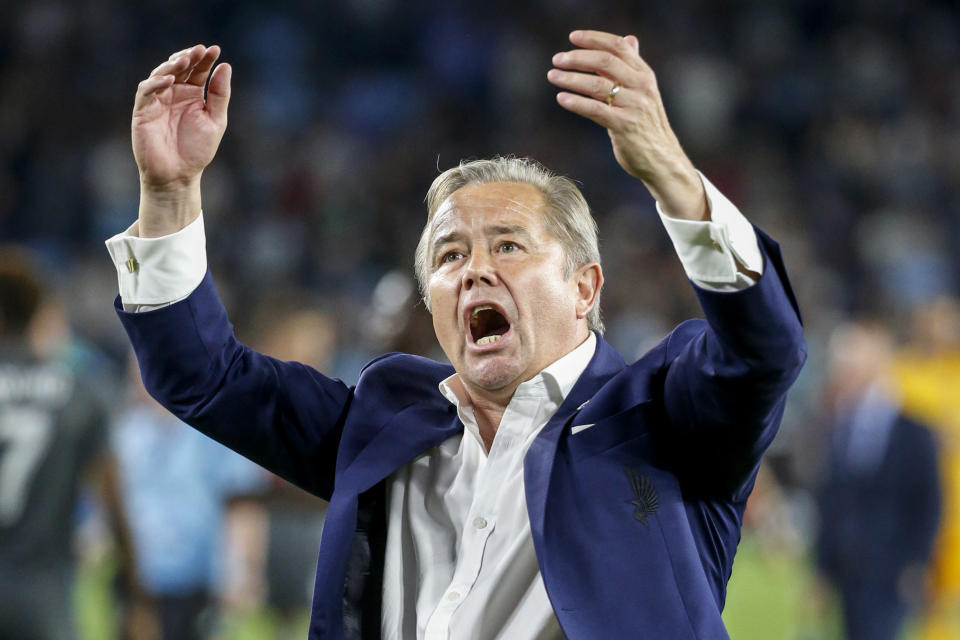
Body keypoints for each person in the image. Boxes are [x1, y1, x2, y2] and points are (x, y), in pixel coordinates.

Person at [106, 30, 805, 638]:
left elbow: (764, 350)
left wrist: (675, 178)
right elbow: (203, 377)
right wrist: (168, 195)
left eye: (507, 246)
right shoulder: (385, 424)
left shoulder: (664, 419)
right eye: (449, 256)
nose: (473, 271)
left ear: (585, 287)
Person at [0, 248, 153, 640]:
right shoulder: (80, 393)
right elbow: (113, 499)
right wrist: (135, 598)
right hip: (43, 597)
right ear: (38, 314)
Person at [816, 320, 942, 640]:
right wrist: (823, 568)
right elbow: (831, 500)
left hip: (891, 569)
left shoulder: (915, 432)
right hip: (849, 569)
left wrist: (917, 562)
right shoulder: (840, 428)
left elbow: (928, 502)